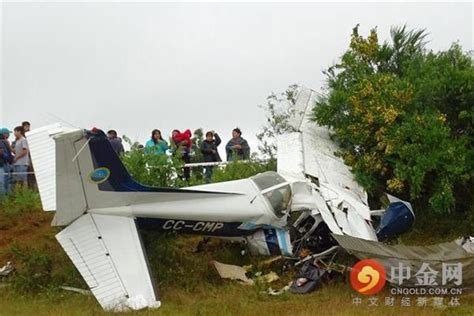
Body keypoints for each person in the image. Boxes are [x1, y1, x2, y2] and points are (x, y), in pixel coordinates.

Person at [0, 128, 14, 195]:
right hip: (4, 164)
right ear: (4, 134)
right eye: (8, 133)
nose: (8, 135)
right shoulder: (3, 142)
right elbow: (2, 152)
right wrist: (8, 158)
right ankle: (6, 198)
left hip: (5, 163)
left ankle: (7, 196)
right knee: (6, 181)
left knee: (7, 180)